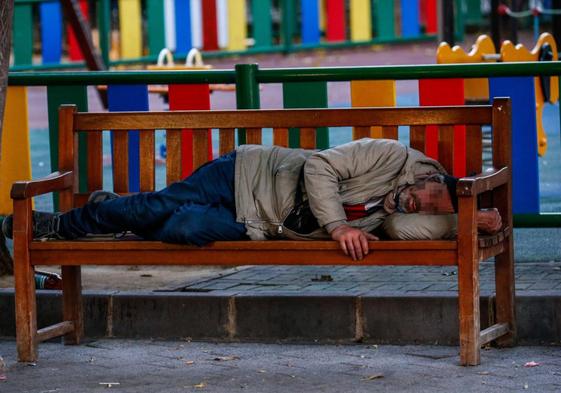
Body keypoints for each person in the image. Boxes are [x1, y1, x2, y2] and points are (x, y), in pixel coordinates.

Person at [2, 138, 501, 261]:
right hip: (246, 175)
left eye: (427, 208)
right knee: (151, 210)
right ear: (421, 176)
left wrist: (465, 220)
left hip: (261, 223)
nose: (413, 206)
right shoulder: (391, 155)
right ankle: (59, 225)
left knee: (183, 230)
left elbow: (402, 230)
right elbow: (318, 166)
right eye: (420, 196)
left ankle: (112, 212)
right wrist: (337, 227)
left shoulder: (413, 212)